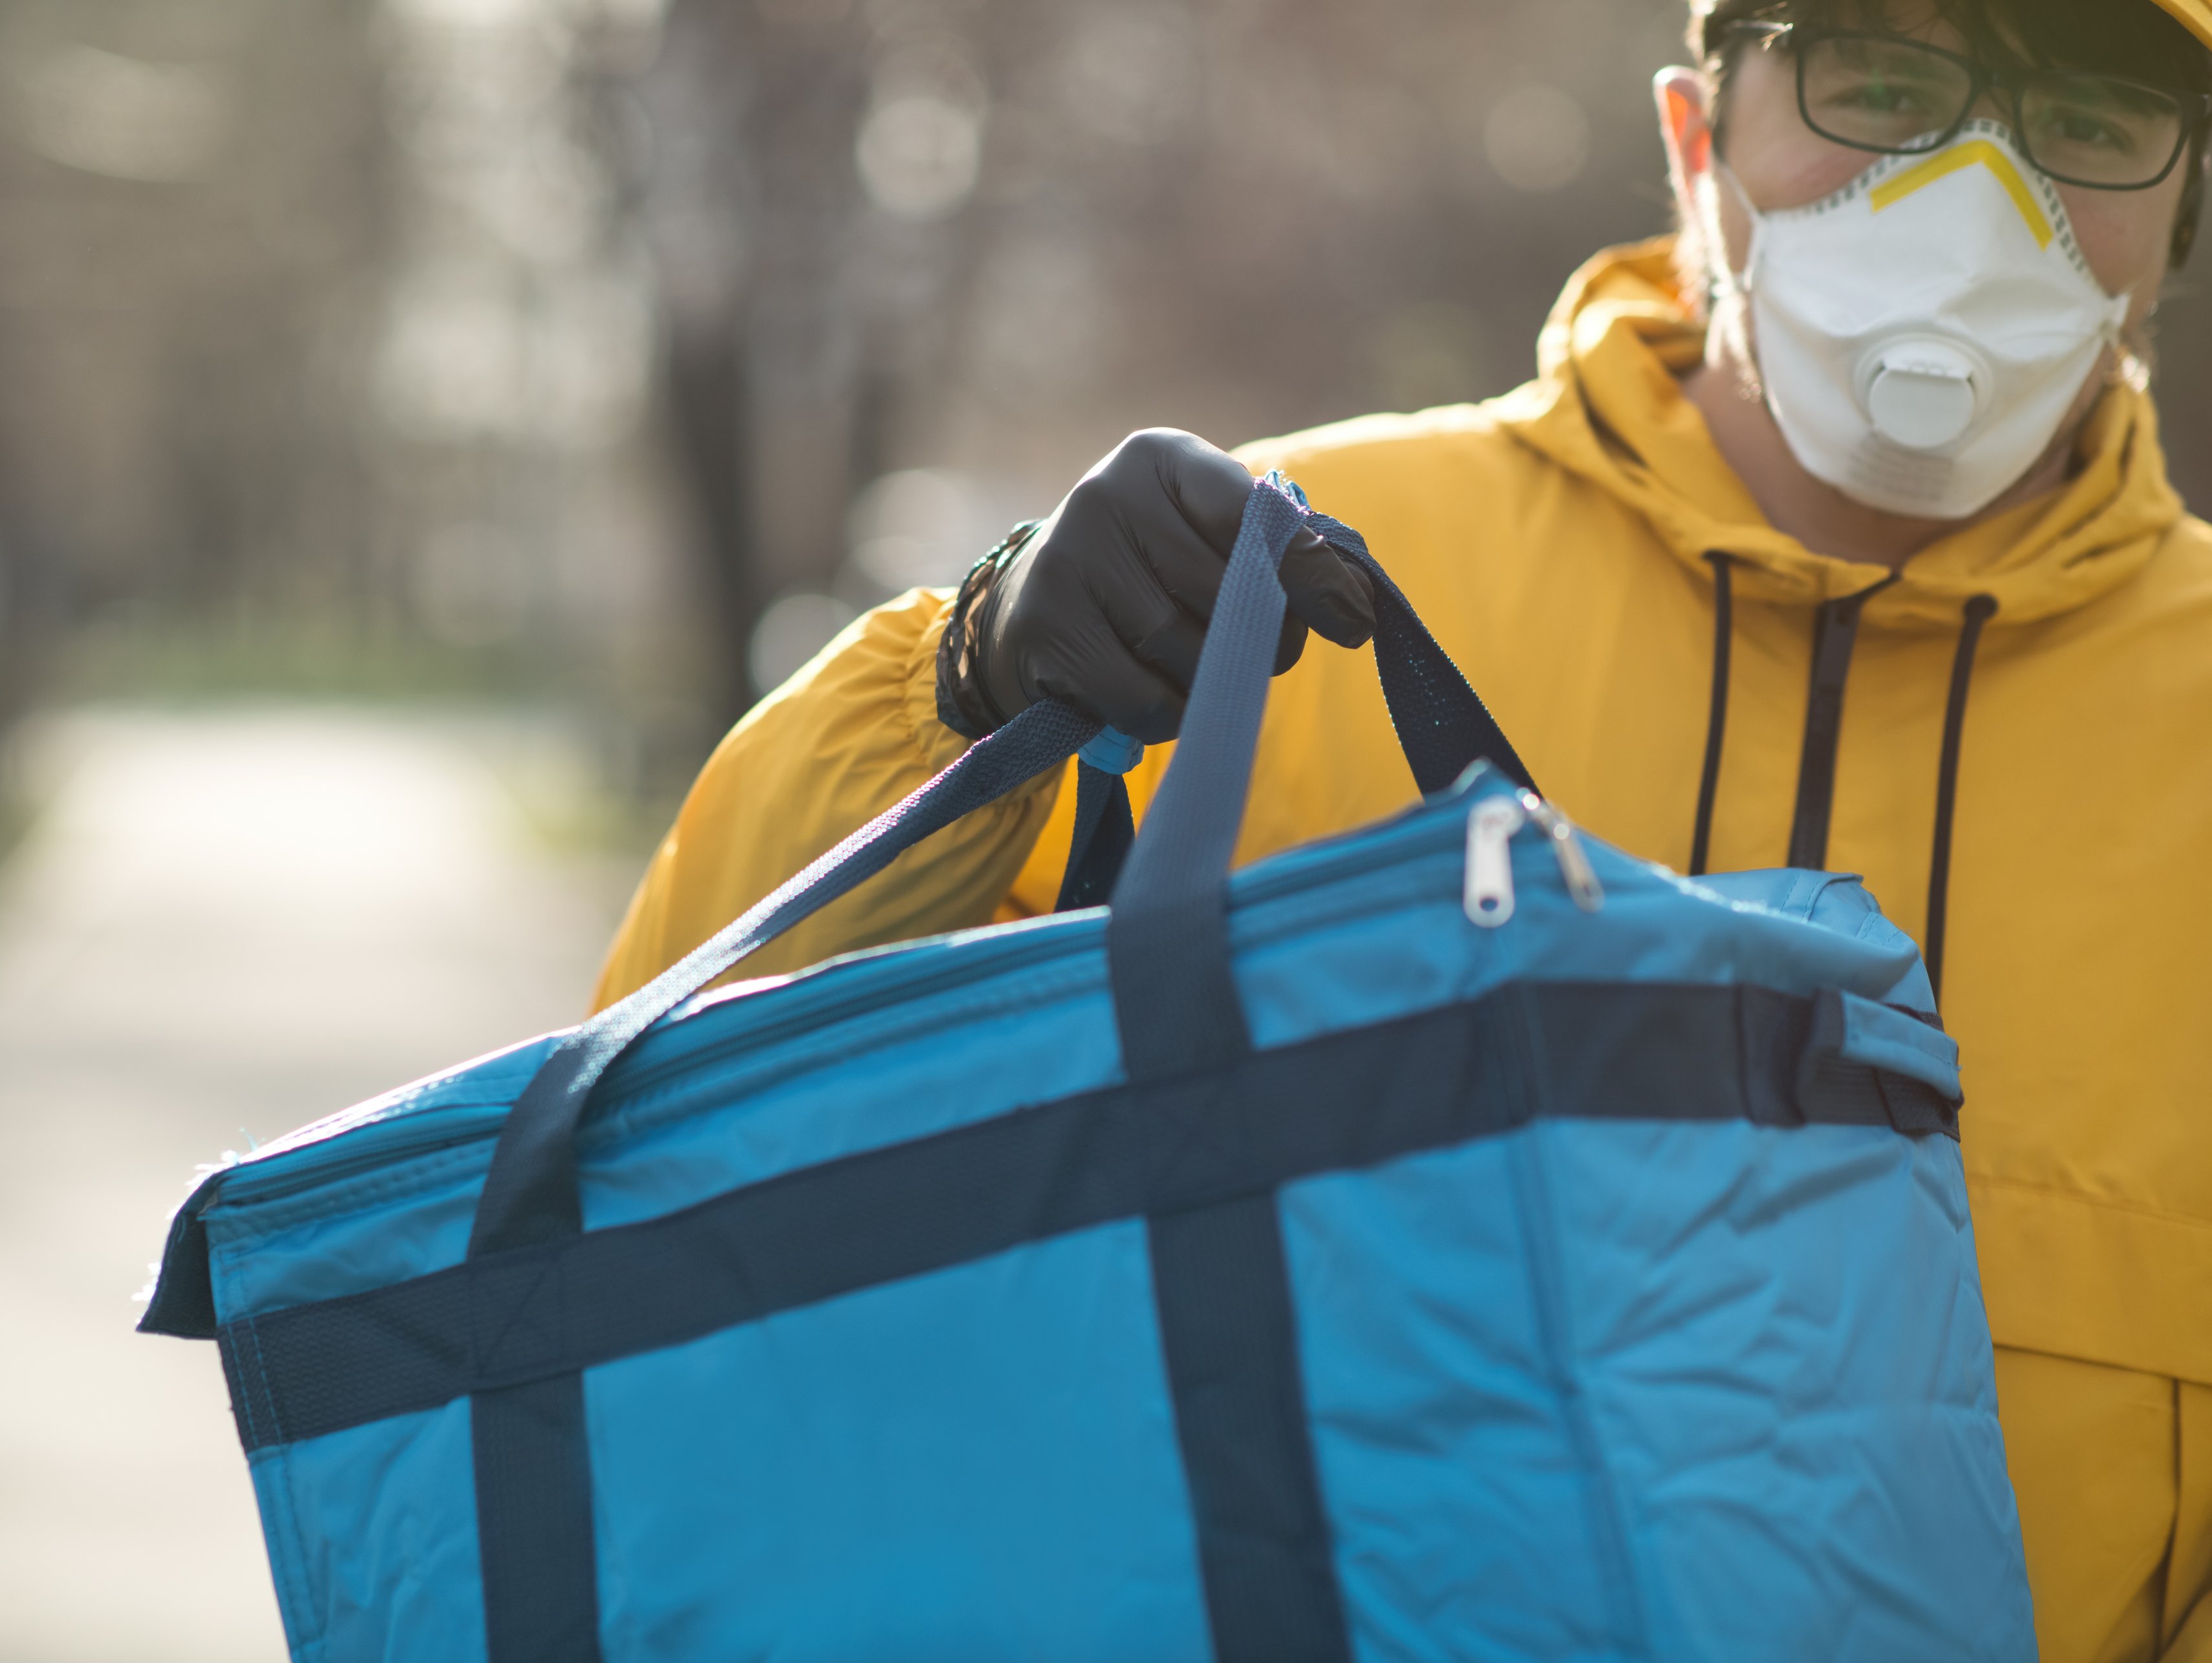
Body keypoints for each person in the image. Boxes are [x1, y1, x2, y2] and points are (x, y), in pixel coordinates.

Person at [596, 1, 2212, 1656]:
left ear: (2186, 213)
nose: (1969, 187)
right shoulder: (1285, 601)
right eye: (1878, 83)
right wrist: (968, 682)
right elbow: (668, 1096)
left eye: (2091, 114)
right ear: (1692, 136)